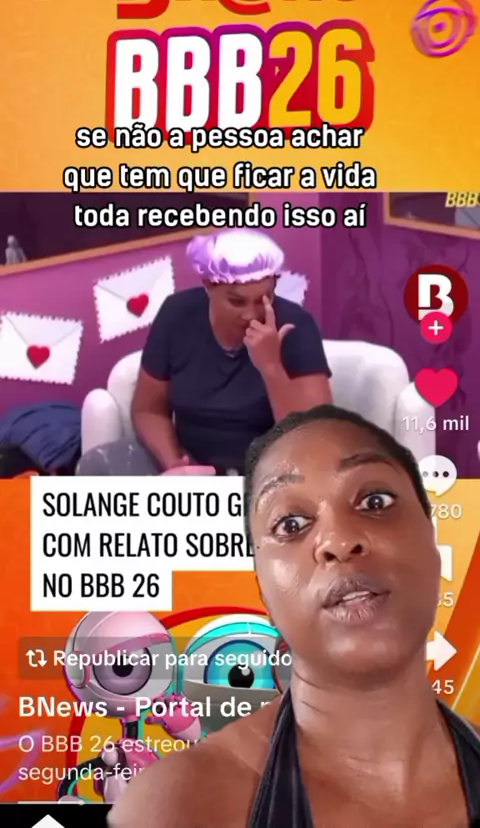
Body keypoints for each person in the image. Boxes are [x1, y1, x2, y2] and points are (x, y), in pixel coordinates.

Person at [109, 404, 480, 828]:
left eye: (374, 501)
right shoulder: (185, 800)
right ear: (262, 587)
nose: (338, 540)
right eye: (290, 524)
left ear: (433, 540)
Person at [77, 230, 332, 476]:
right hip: (191, 462)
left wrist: (271, 367)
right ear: (209, 285)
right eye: (237, 301)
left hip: (269, 469)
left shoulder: (295, 326)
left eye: (263, 299)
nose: (251, 314)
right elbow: (148, 410)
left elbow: (313, 439)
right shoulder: (177, 314)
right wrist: (174, 464)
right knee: (98, 464)